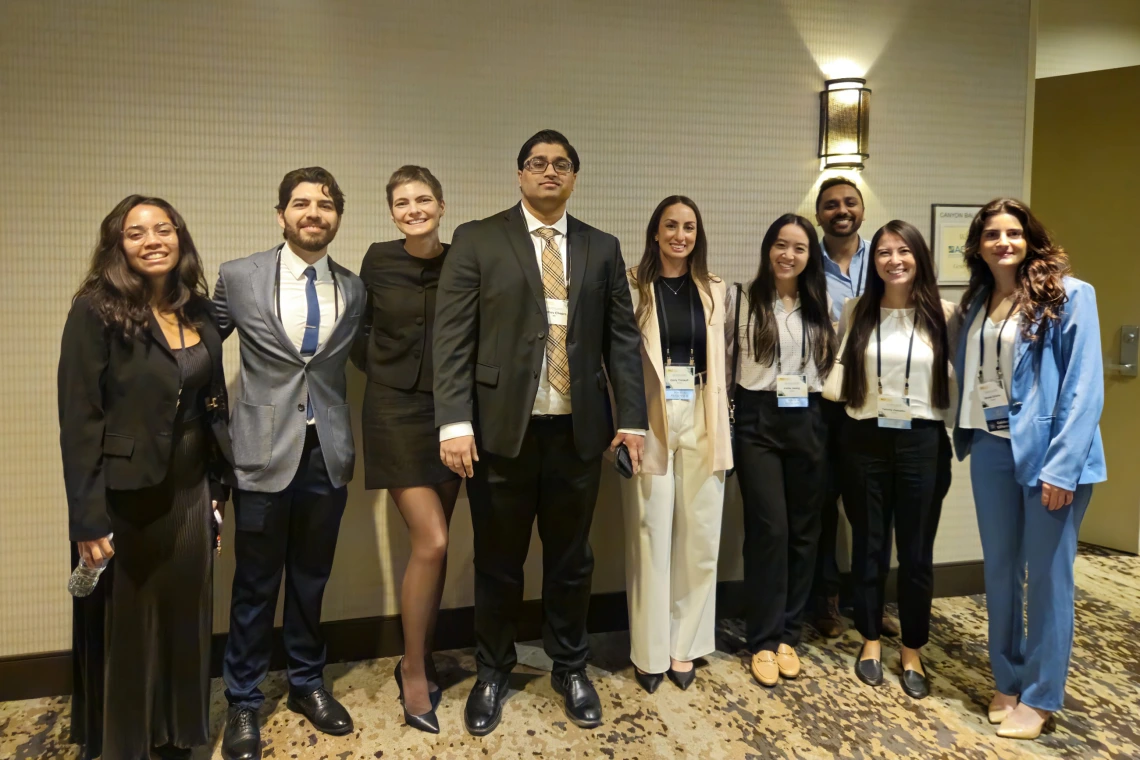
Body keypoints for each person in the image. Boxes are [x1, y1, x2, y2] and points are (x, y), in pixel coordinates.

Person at [433, 129, 647, 735]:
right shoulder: (478, 239)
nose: (548, 172)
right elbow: (451, 338)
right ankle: (494, 670)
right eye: (536, 163)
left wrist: (631, 419)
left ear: (574, 177)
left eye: (560, 165)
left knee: (572, 560)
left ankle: (569, 665)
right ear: (520, 175)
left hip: (577, 435)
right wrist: (454, 419)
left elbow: (622, 342)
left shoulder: (601, 248)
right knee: (499, 562)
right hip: (501, 433)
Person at [58, 195, 233, 760]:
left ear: (180, 237)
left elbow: (213, 405)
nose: (152, 239)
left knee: (186, 617)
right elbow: (79, 420)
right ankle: (122, 745)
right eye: (136, 233)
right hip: (121, 497)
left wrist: (217, 491)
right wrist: (86, 519)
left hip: (189, 489)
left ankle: (178, 735)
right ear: (118, 244)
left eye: (164, 229)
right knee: (126, 625)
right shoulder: (96, 310)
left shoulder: (200, 310)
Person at [215, 168, 366, 760]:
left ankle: (306, 682)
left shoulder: (354, 289)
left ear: (337, 218)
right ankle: (245, 701)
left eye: (326, 205)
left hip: (325, 456)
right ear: (280, 213)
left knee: (311, 578)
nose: (314, 213)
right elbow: (198, 351)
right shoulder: (239, 276)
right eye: (302, 203)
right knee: (254, 584)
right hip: (258, 455)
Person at [952, 198, 1104, 740]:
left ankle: (1041, 696)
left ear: (1030, 238)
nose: (1003, 242)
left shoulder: (1069, 295)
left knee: (1046, 579)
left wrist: (1063, 469)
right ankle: (1007, 678)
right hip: (991, 450)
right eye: (992, 234)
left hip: (1049, 457)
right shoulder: (975, 302)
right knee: (999, 572)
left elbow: (1084, 387)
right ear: (977, 246)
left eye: (1013, 232)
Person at [351, 165, 461, 734]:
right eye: (402, 202)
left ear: (442, 206)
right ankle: (413, 667)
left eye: (423, 199)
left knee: (437, 548)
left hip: (451, 416)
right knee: (432, 537)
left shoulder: (464, 258)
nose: (413, 208)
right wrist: (388, 371)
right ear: (392, 211)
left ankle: (424, 650)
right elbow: (358, 330)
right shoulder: (377, 258)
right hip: (393, 413)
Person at [835, 220, 955, 700]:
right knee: (868, 545)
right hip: (865, 438)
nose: (893, 260)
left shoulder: (943, 313)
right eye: (883, 252)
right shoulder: (856, 309)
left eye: (903, 251)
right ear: (874, 261)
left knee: (917, 552)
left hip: (922, 441)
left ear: (919, 257)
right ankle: (868, 639)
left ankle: (911, 647)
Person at [621, 196, 732, 693]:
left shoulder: (716, 291)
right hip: (653, 417)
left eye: (688, 226)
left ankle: (682, 646)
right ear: (656, 231)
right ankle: (648, 651)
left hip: (704, 415)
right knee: (650, 535)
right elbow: (618, 362)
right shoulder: (631, 286)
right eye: (671, 225)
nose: (679, 235)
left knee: (701, 537)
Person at [726, 214, 836, 687]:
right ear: (768, 248)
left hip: (808, 417)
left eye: (799, 248)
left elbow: (834, 366)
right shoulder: (742, 298)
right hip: (758, 421)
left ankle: (791, 631)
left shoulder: (821, 303)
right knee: (769, 529)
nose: (788, 255)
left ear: (810, 256)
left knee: (804, 532)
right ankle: (764, 639)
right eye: (780, 245)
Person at [809, 177, 901, 638]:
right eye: (830, 205)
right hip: (823, 400)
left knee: (872, 507)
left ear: (862, 209)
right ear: (819, 215)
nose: (840, 210)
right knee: (824, 501)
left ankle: (869, 599)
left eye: (849, 203)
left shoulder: (886, 259)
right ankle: (824, 598)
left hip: (878, 401)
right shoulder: (806, 261)